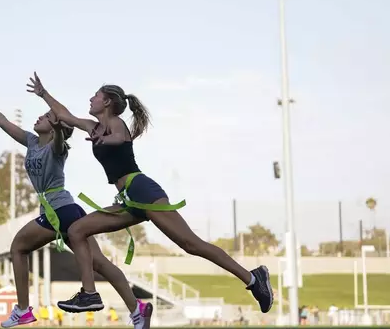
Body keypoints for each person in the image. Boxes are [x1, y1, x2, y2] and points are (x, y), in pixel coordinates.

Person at [26, 72, 274, 315]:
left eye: (95, 96)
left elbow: (122, 137)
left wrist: (105, 141)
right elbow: (65, 115)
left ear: (107, 102)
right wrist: (43, 93)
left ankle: (253, 278)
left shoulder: (114, 124)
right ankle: (89, 294)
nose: (91, 99)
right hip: (128, 200)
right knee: (77, 230)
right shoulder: (93, 127)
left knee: (191, 244)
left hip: (142, 190)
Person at [0, 78, 152, 329]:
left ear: (54, 128)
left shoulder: (57, 147)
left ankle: (22, 309)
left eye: (46, 117)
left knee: (18, 247)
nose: (39, 118)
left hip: (60, 210)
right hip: (64, 210)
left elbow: (62, 139)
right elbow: (4, 123)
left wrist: (61, 127)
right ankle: (137, 308)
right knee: (100, 263)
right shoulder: (31, 141)